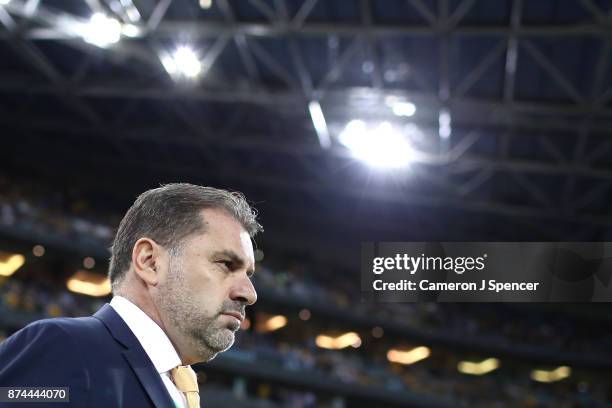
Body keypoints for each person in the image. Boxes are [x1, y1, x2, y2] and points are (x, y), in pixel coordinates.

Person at [0, 183, 262, 407]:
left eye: (248, 275)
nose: (249, 294)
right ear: (149, 262)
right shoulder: (66, 349)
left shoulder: (177, 386)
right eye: (227, 264)